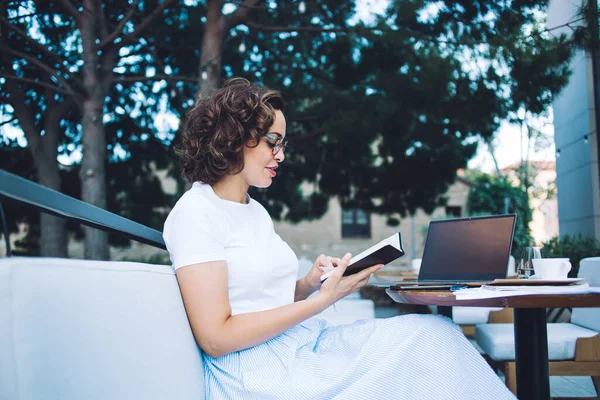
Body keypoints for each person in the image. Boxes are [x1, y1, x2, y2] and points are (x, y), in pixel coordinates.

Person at [163, 78, 515, 399]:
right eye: (273, 142)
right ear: (233, 136)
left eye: (282, 144)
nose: (281, 155)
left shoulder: (254, 211)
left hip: (297, 344)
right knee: (427, 343)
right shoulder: (196, 213)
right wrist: (319, 302)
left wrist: (312, 283)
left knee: (437, 333)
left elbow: (260, 298)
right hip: (256, 371)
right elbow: (216, 337)